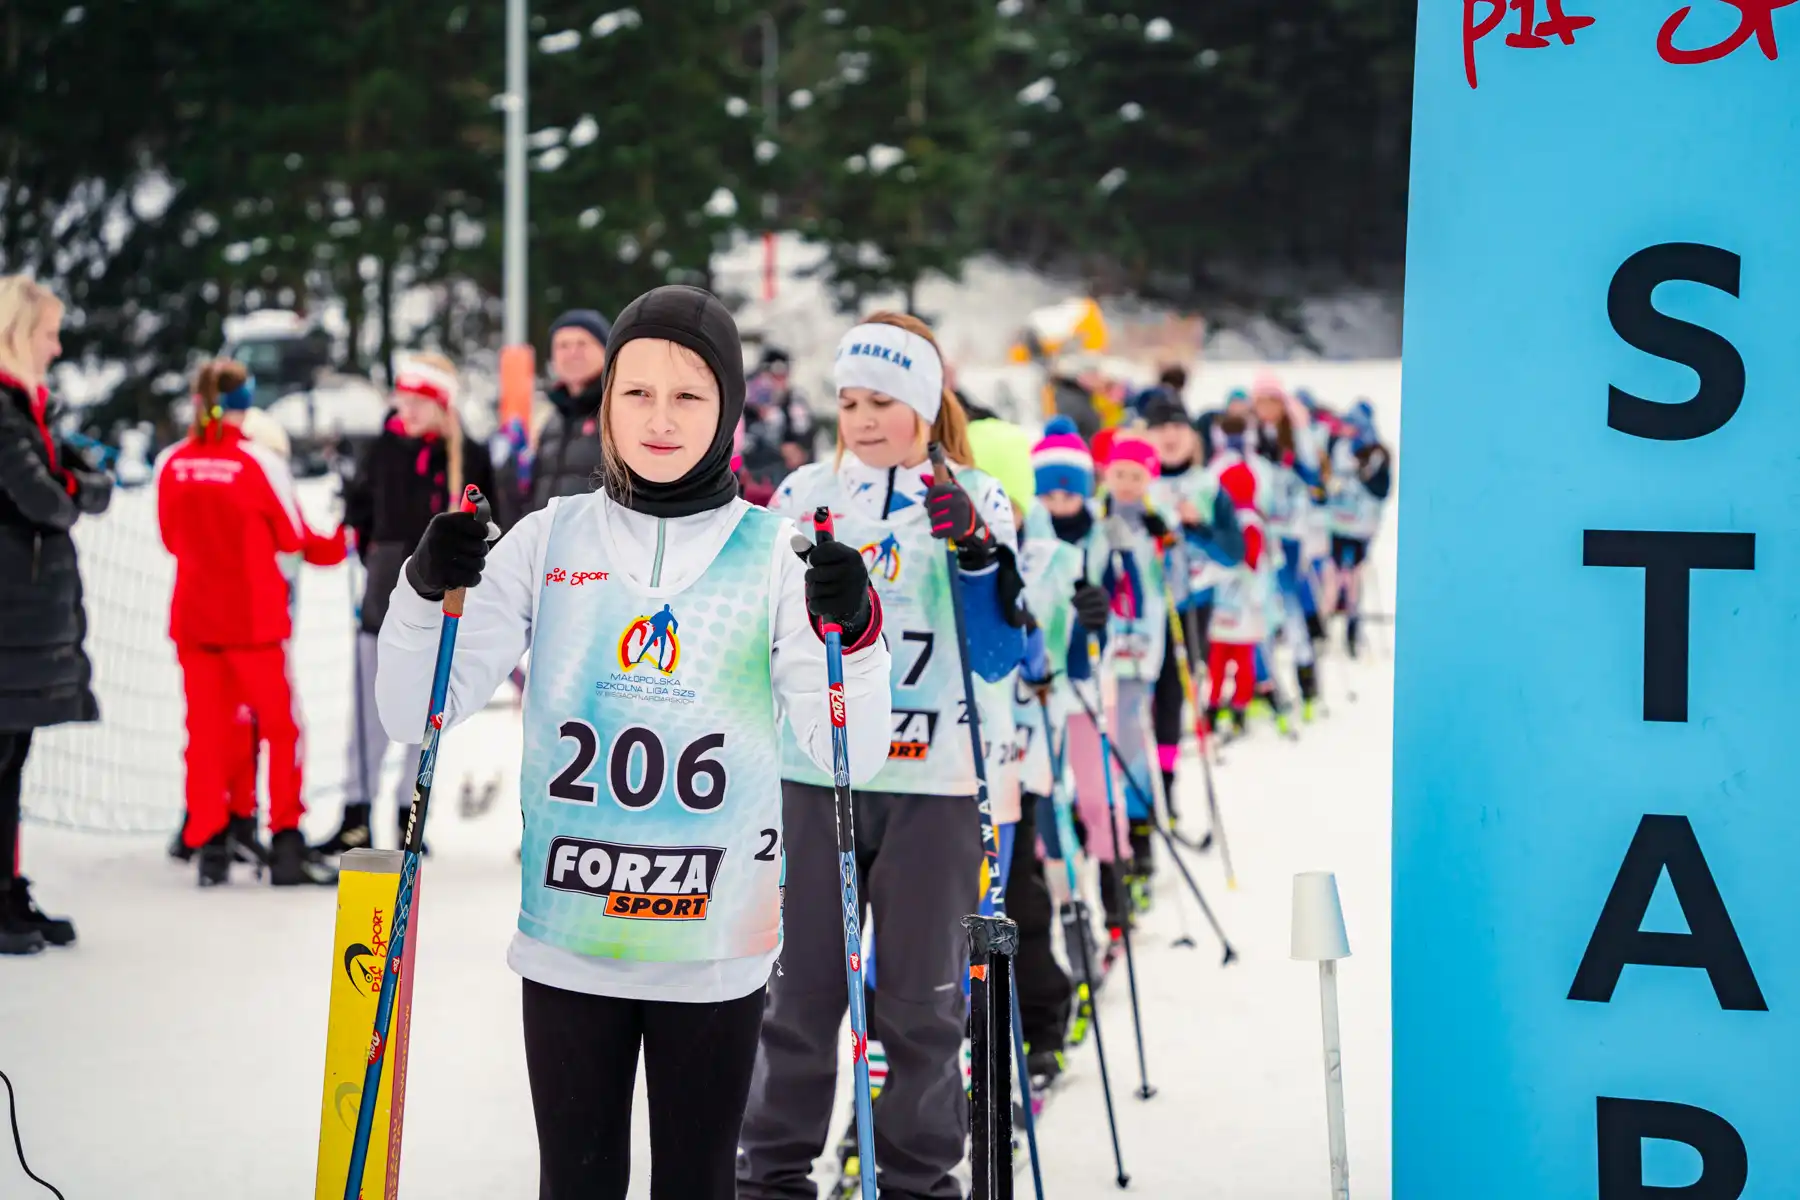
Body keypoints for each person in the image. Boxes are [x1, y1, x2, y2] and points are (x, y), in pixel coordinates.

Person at [376, 285, 891, 1200]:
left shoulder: (772, 554)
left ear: (728, 409)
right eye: (635, 393)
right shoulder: (549, 537)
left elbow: (849, 745)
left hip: (713, 940)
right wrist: (422, 592)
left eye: (688, 396)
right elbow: (420, 710)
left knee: (696, 1184)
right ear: (605, 401)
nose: (659, 419)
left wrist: (854, 632)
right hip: (569, 934)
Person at [740, 313, 1026, 1200]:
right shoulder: (803, 492)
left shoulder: (979, 495)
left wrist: (977, 552)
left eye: (885, 402)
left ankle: (917, 1178)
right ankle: (773, 1174)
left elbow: (1001, 656)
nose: (863, 420)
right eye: (851, 402)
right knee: (799, 994)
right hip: (817, 774)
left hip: (935, 781)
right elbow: (766, 637)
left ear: (928, 404)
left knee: (920, 1003)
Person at [157, 358, 347, 886]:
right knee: (281, 730)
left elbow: (170, 536)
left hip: (196, 619)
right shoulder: (258, 462)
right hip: (253, 621)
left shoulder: (172, 463)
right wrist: (343, 540)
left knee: (208, 732)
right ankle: (286, 842)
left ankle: (211, 842)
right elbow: (293, 536)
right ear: (246, 405)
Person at [317, 353, 496, 856]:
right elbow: (362, 516)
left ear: (441, 405)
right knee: (370, 710)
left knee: (426, 711)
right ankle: (355, 812)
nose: (408, 410)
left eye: (420, 401)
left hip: (442, 604)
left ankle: (407, 813)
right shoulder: (384, 449)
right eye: (404, 399)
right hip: (381, 597)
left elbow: (491, 523)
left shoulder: (469, 455)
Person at [0, 276, 108, 954]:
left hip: (23, 621)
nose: (58, 345)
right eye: (48, 333)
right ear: (17, 335)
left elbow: (69, 481)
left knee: (11, 759)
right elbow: (48, 497)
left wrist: (75, 480)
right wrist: (76, 484)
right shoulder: (6, 414)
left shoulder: (27, 411)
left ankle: (7, 888)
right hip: (10, 618)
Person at [523, 308, 611, 514]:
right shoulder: (551, 420)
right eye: (563, 345)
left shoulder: (618, 411)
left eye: (582, 344)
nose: (572, 353)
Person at [1323, 400, 1392, 657]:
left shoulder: (1376, 454)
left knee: (1354, 578)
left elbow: (1382, 490)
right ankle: (1327, 625)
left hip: (1361, 527)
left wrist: (1362, 476)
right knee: (1334, 575)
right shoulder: (1338, 446)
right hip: (1338, 522)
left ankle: (1353, 627)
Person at [739, 347, 813, 495]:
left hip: (790, 481)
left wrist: (799, 450)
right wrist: (780, 450)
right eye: (774, 375)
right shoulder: (746, 403)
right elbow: (741, 448)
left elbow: (807, 436)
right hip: (755, 482)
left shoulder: (795, 401)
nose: (779, 381)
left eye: (783, 375)